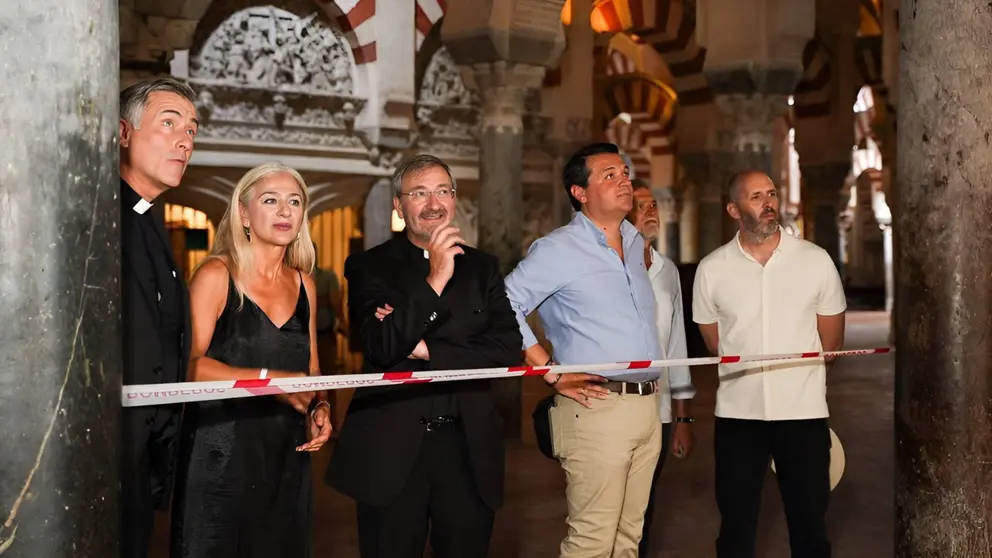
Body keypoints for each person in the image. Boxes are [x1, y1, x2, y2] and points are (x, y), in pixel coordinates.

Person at [325, 154, 522, 558]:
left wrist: (424, 348)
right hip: (391, 451)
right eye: (419, 193)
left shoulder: (484, 268)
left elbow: (505, 350)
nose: (434, 203)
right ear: (399, 206)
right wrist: (435, 279)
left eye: (442, 191)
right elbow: (380, 346)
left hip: (468, 448)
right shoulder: (369, 266)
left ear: (454, 199)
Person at [504, 142, 664, 557]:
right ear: (580, 193)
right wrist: (550, 370)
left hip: (647, 407)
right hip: (597, 407)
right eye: (608, 175)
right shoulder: (559, 248)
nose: (623, 180)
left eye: (624, 172)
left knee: (629, 540)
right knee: (591, 542)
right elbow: (504, 303)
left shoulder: (633, 243)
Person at [169, 162, 332, 557]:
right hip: (219, 456)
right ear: (243, 213)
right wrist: (265, 379)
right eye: (270, 200)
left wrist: (321, 405)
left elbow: (311, 368)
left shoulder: (304, 283)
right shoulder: (215, 274)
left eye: (294, 202)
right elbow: (187, 366)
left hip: (284, 457)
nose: (284, 211)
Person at [692, 170, 846, 558]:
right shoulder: (712, 269)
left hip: (804, 414)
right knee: (736, 527)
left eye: (771, 194)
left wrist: (800, 382)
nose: (768, 203)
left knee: (810, 524)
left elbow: (832, 342)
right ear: (733, 209)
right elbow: (715, 340)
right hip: (737, 415)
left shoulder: (815, 260)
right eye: (756, 196)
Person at [119, 77, 198, 558]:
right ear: (122, 133)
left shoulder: (151, 218)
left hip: (142, 452)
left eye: (191, 129)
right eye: (169, 123)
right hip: (103, 447)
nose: (184, 140)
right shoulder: (95, 213)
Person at [625, 181, 697, 556]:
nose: (651, 211)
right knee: (611, 509)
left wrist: (683, 419)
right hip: (616, 408)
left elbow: (677, 345)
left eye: (654, 204)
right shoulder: (608, 268)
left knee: (646, 504)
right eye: (640, 205)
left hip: (662, 409)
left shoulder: (668, 270)